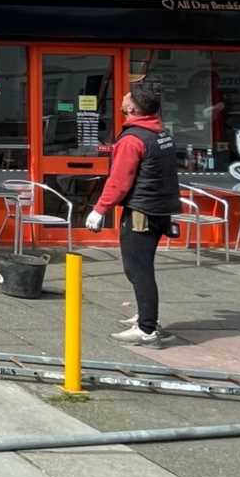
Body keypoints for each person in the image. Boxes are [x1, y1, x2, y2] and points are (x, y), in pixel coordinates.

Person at [84, 80, 180, 346]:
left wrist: (99, 209)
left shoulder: (133, 139)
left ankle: (147, 328)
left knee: (137, 269)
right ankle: (146, 314)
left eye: (127, 95)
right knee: (142, 266)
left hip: (142, 211)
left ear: (133, 106)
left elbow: (119, 180)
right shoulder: (160, 134)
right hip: (161, 209)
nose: (123, 97)